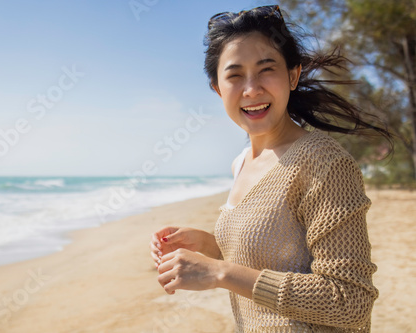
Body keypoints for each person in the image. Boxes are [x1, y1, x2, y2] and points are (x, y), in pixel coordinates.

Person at [149, 5, 394, 332]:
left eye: (266, 69)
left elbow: (350, 300)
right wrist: (208, 246)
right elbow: (275, 254)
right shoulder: (240, 163)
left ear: (293, 75)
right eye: (234, 75)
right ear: (218, 89)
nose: (251, 89)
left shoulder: (324, 162)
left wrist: (219, 273)